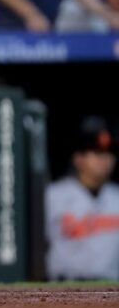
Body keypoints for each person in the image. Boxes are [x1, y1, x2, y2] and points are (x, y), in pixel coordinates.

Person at [46, 116, 119, 281]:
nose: (104, 159)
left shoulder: (117, 197)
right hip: (64, 289)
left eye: (108, 153)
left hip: (111, 290)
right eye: (97, 153)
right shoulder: (53, 196)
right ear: (79, 158)